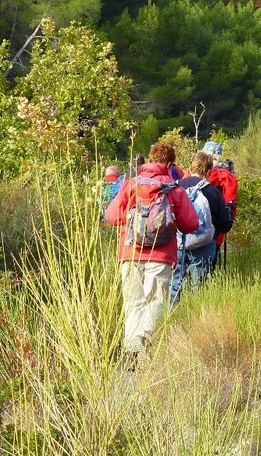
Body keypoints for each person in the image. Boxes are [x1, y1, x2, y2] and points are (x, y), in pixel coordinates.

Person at [104, 142, 199, 365]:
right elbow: (190, 223)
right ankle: (142, 336)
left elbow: (111, 216)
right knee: (155, 300)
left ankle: (131, 349)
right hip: (161, 253)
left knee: (133, 302)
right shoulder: (174, 188)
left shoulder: (130, 185)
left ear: (149, 158)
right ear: (170, 163)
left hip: (130, 252)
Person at [170, 151, 233, 304]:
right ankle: (193, 319)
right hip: (203, 244)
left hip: (177, 243)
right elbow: (224, 224)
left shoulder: (175, 187)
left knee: (174, 284)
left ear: (190, 167)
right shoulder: (212, 191)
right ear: (209, 170)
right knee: (198, 286)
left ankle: (171, 316)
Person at [202, 141, 238, 271]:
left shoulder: (192, 174)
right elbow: (231, 204)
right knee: (210, 262)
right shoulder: (226, 176)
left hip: (190, 229)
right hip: (216, 228)